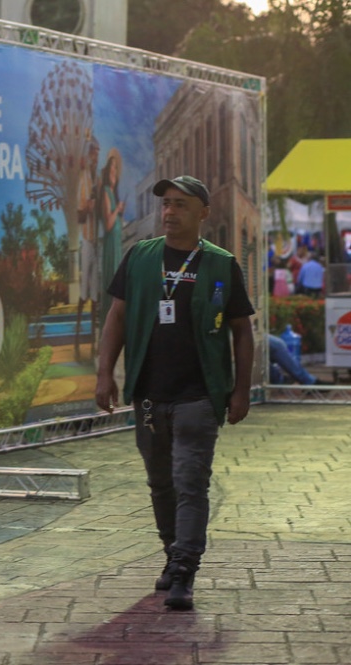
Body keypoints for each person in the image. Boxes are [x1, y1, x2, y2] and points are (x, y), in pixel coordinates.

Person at [95, 175, 254, 611]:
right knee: (160, 483)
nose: (169, 212)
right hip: (149, 394)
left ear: (204, 212)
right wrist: (105, 373)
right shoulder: (140, 258)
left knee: (190, 482)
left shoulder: (222, 265)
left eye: (181, 205)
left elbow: (242, 330)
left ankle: (184, 569)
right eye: (166, 204)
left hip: (199, 395)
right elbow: (117, 317)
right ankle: (172, 553)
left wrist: (241, 390)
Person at [75, 137, 101, 361]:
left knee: (95, 293)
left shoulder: (97, 178)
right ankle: (77, 339)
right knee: (84, 292)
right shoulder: (83, 179)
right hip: (86, 239)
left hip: (97, 239)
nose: (96, 156)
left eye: (98, 153)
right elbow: (79, 213)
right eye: (95, 152)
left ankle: (93, 342)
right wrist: (87, 206)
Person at [98, 147, 126, 329]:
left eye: (116, 169)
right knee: (111, 282)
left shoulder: (113, 194)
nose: (114, 173)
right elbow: (108, 225)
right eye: (112, 169)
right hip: (110, 246)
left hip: (117, 245)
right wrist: (117, 210)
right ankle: (107, 327)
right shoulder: (106, 192)